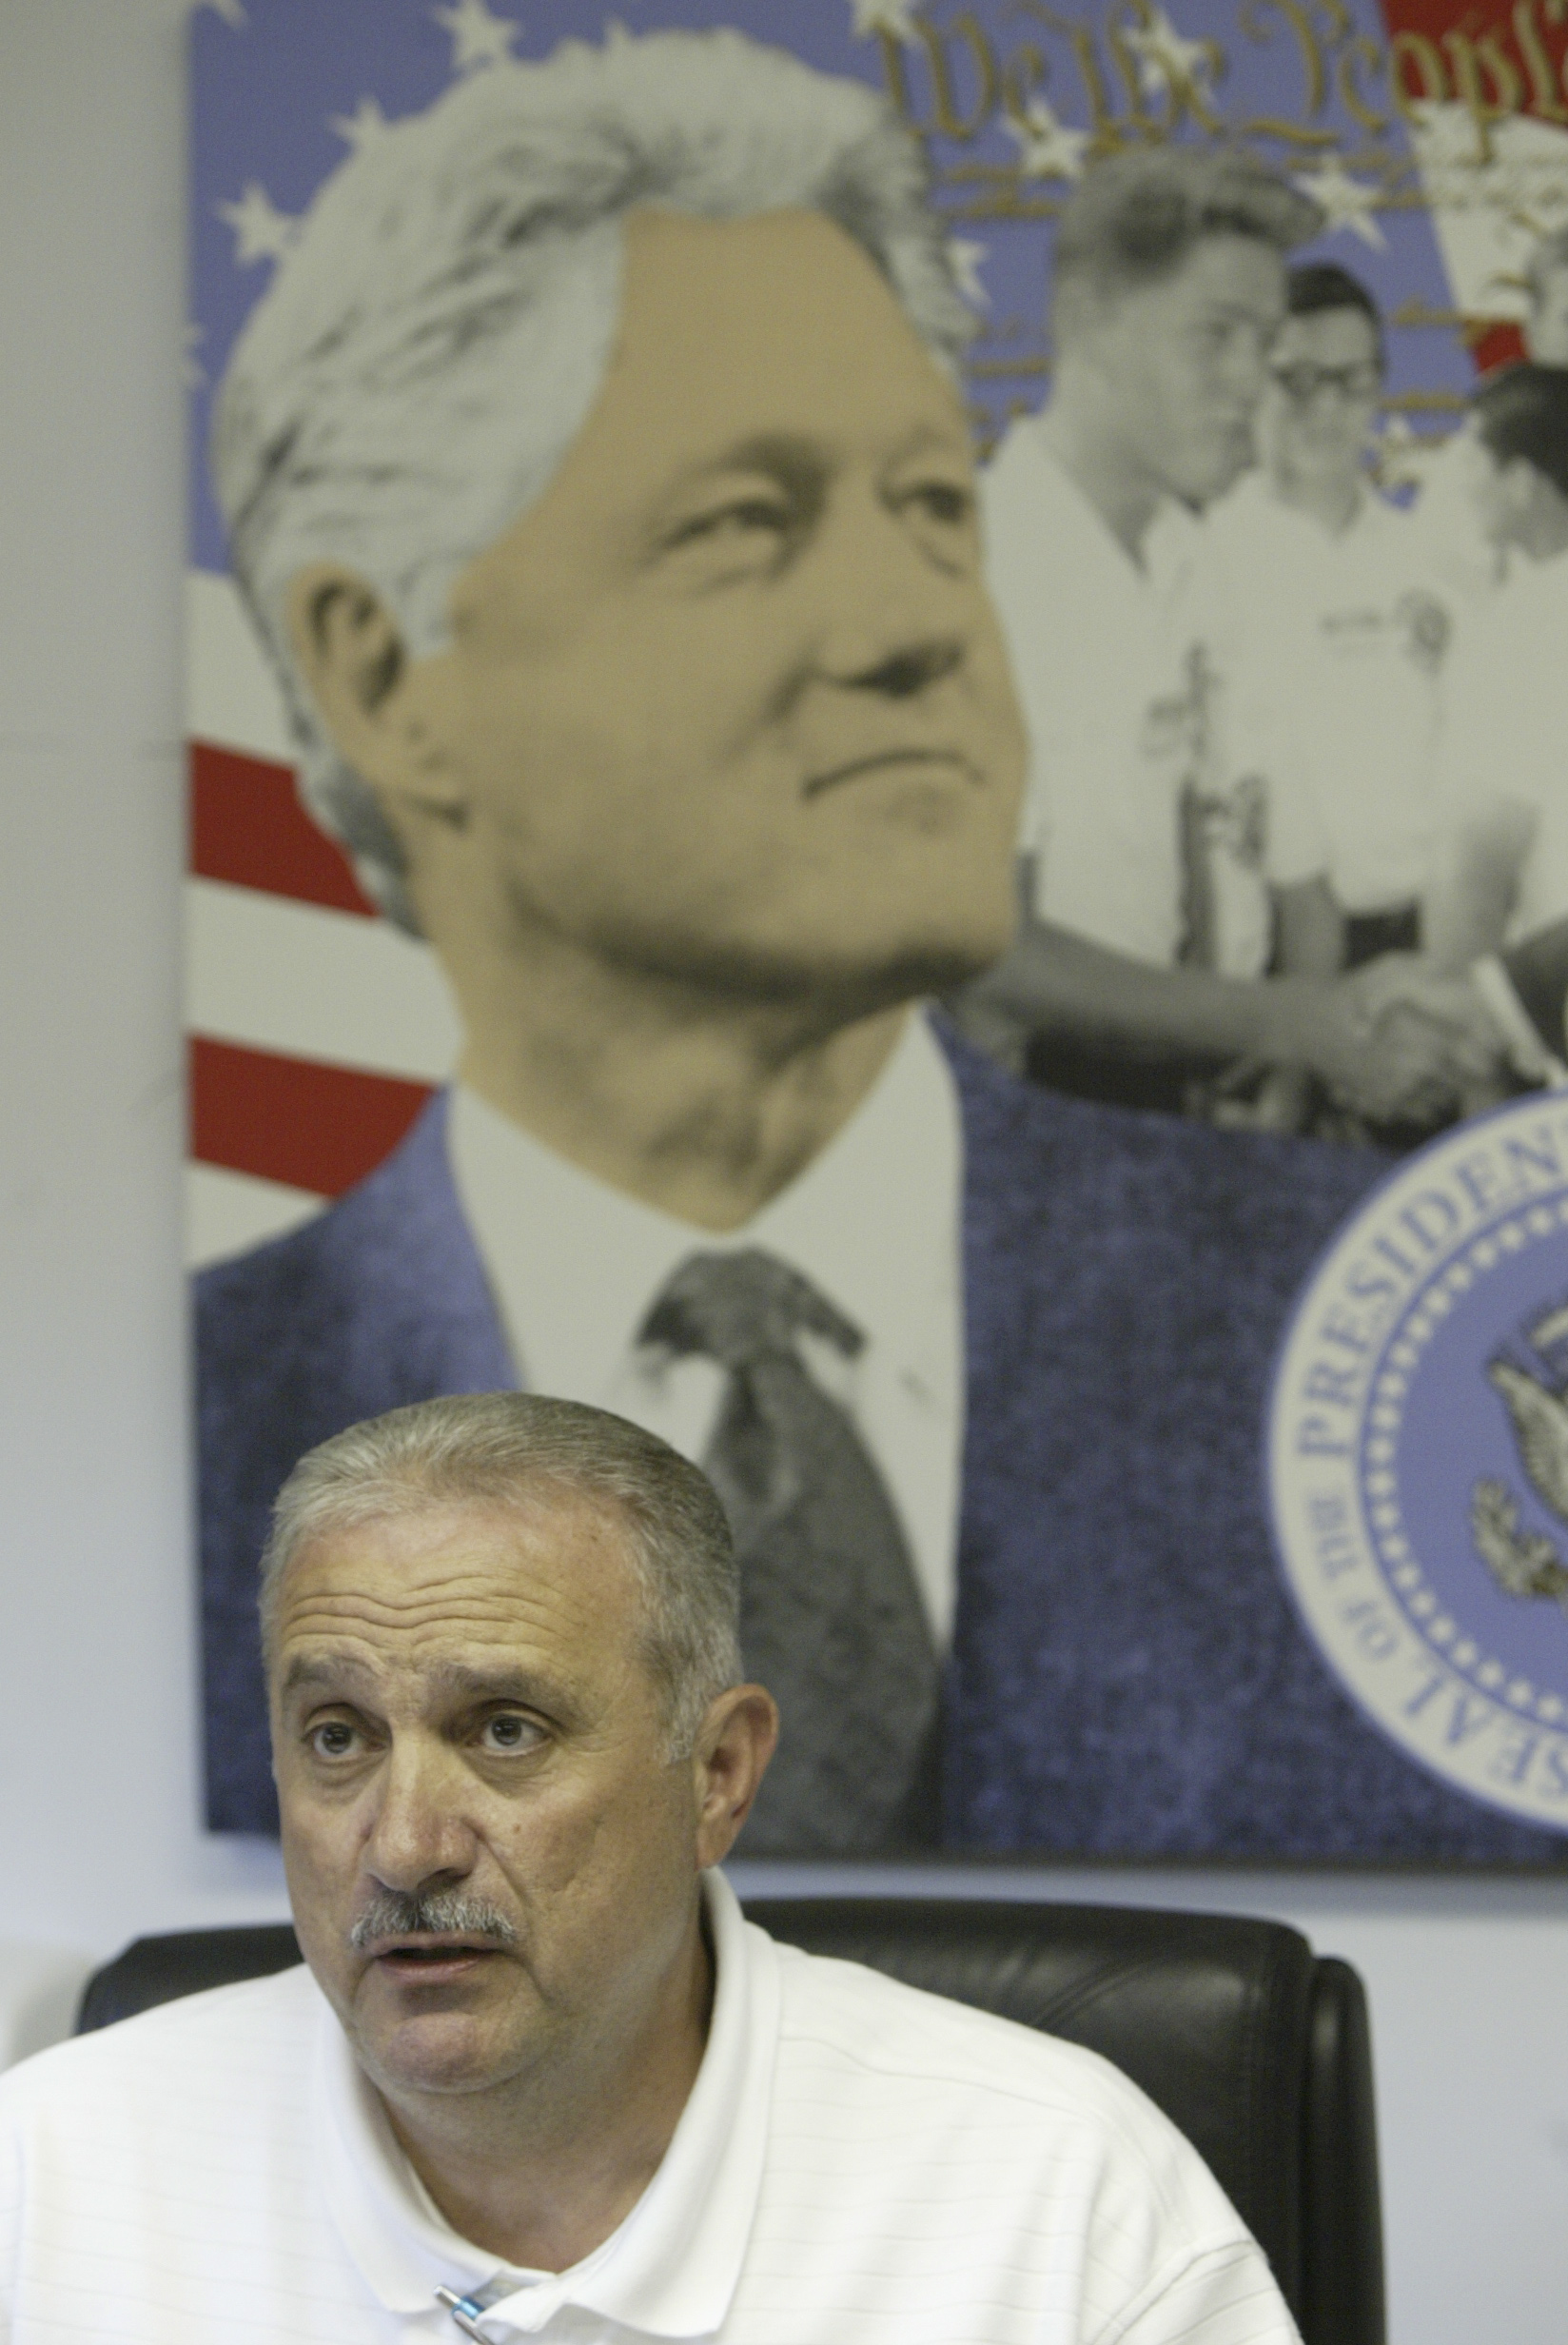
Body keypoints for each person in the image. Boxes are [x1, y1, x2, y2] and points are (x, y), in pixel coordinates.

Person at [198, 25, 1558, 1865]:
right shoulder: (214, 1422)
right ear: (382, 671)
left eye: (928, 511)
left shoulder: (1346, 1359)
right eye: (744, 521)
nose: (918, 622)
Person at [0, 1394, 1303, 2343]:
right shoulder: (49, 2179)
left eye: (505, 1731)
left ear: (718, 1773)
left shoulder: (1057, 2195)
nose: (402, 1845)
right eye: (337, 1738)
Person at [964, 152, 1476, 1121]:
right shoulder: (974, 569)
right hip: (1035, 1113)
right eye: (1215, 337)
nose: (1251, 384)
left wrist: (1244, 1043)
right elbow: (986, 951)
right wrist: (1277, 1025)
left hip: (1176, 1081)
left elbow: (1206, 837)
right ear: (1085, 322)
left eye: (1263, 341)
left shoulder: (1182, 557)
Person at [1204, 265, 1450, 975]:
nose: (1328, 407)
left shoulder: (1429, 562)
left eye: (1353, 380)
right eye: (1299, 379)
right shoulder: (1202, 558)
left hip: (1430, 944)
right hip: (1266, 956)